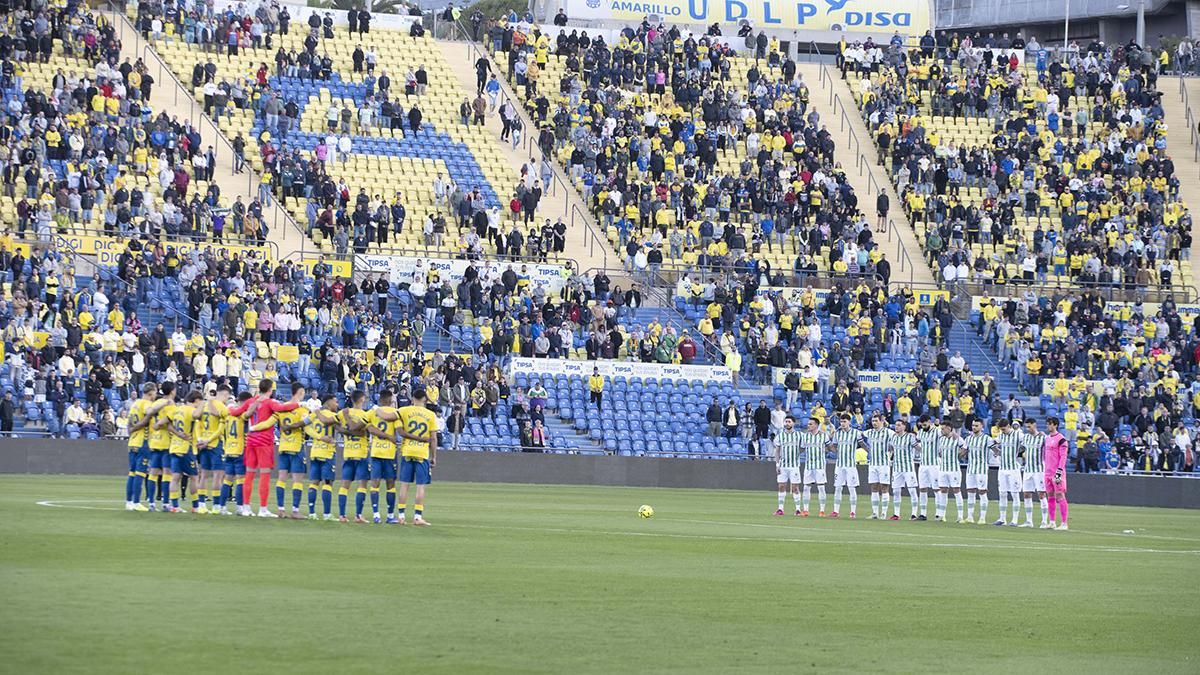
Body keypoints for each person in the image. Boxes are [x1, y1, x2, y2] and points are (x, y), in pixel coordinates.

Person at [229, 379, 304, 517]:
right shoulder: (270, 402)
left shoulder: (251, 401)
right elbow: (282, 408)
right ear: (270, 389)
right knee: (264, 475)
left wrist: (229, 408)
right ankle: (263, 509)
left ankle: (246, 507)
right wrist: (298, 404)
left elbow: (235, 412)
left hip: (250, 441)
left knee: (249, 474)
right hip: (264, 442)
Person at [397, 387, 438, 526]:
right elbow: (433, 438)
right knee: (420, 486)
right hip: (422, 453)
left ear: (412, 399)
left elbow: (392, 415)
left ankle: (401, 516)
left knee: (404, 485)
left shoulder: (404, 411)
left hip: (407, 451)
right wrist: (434, 456)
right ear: (425, 400)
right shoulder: (430, 415)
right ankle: (417, 517)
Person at [366, 389, 401, 524]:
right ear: (390, 400)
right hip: (390, 453)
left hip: (375, 452)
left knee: (375, 483)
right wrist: (389, 436)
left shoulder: (372, 412)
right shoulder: (394, 414)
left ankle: (376, 515)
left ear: (380, 400)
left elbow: (368, 427)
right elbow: (398, 431)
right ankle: (390, 515)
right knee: (390, 485)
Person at [195, 385, 231, 514]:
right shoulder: (222, 407)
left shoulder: (204, 405)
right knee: (217, 476)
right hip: (215, 444)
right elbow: (220, 429)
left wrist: (200, 439)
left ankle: (201, 505)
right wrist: (208, 440)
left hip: (202, 443)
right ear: (225, 395)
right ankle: (216, 506)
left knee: (203, 475)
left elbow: (197, 424)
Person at [305, 395, 341, 521]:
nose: (337, 405)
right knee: (327, 482)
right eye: (335, 402)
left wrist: (317, 437)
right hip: (327, 452)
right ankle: (326, 514)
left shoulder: (315, 414)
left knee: (314, 482)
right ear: (329, 402)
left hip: (315, 451)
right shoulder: (332, 416)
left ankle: (311, 513)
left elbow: (305, 426)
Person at [338, 390, 372, 523]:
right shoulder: (365, 415)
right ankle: (358, 515)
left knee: (344, 485)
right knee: (362, 484)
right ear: (362, 399)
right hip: (361, 453)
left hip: (348, 453)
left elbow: (334, 424)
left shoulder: (343, 413)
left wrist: (344, 431)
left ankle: (342, 515)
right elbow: (366, 433)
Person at [166, 391, 204, 513]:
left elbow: (166, 424)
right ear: (196, 400)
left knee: (175, 477)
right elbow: (197, 415)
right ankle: (196, 506)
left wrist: (177, 434)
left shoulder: (177, 409)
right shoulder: (190, 410)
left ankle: (175, 506)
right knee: (194, 477)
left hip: (174, 447)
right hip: (186, 448)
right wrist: (205, 403)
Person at [124, 383, 159, 511]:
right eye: (155, 393)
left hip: (132, 441)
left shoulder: (135, 404)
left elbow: (128, 422)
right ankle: (136, 502)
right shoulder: (146, 404)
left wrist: (131, 432)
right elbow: (148, 417)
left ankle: (129, 502)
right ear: (151, 392)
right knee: (140, 473)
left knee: (131, 473)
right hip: (142, 442)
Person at [274, 400, 311, 519]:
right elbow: (307, 425)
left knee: (281, 479)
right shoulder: (303, 410)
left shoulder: (281, 410)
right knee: (297, 481)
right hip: (296, 448)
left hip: (283, 446)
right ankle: (295, 511)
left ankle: (280, 509)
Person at [147, 382, 178, 511]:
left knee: (153, 473)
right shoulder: (171, 405)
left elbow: (149, 413)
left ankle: (151, 503)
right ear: (172, 391)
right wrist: (159, 423)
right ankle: (165, 503)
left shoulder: (156, 403)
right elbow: (169, 420)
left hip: (154, 440)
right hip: (166, 442)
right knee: (167, 473)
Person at [221, 392, 253, 515]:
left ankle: (222, 507)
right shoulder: (242, 415)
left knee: (227, 480)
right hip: (240, 450)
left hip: (228, 450)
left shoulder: (228, 413)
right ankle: (240, 507)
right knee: (241, 480)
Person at [963, 418, 997, 525]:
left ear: (982, 426)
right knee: (970, 492)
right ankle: (970, 516)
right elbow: (963, 452)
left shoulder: (987, 439)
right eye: (973, 425)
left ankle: (982, 517)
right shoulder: (968, 439)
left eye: (976, 426)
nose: (974, 427)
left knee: (982, 492)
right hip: (970, 469)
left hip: (981, 469)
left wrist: (1000, 453)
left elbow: (995, 450)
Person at [829, 415, 864, 518]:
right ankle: (836, 511)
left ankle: (853, 511)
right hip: (839, 465)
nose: (842, 423)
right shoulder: (837, 434)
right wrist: (834, 450)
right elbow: (833, 446)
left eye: (844, 421)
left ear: (849, 422)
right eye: (841, 422)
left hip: (850, 465)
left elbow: (862, 444)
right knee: (838, 487)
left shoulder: (856, 433)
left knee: (851, 488)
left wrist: (870, 452)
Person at [1020, 417, 1050, 529]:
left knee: (1041, 494)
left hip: (1039, 470)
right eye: (1026, 427)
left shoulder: (1043, 437)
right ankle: (1029, 521)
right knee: (1027, 494)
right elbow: (1021, 449)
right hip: (1028, 469)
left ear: (1035, 425)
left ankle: (1044, 521)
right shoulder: (1026, 438)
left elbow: (1050, 448)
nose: (1028, 429)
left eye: (1030, 426)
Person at [934, 420, 967, 523]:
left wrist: (958, 456)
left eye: (943, 428)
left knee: (956, 490)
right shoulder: (941, 439)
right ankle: (942, 515)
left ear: (949, 428)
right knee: (943, 491)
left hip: (954, 469)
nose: (941, 430)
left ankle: (960, 516)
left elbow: (965, 448)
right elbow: (940, 452)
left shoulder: (957, 438)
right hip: (943, 469)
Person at [994, 419, 1025, 526]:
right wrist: (997, 452)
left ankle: (1014, 519)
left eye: (1004, 429)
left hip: (1013, 469)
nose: (1003, 431)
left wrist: (1019, 451)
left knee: (1015, 493)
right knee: (1002, 493)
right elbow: (992, 444)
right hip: (1002, 468)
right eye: (1001, 430)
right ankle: (1002, 518)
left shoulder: (1018, 435)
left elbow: (1025, 444)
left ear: (1008, 426)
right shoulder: (1001, 436)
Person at [863, 413, 894, 519]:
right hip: (872, 464)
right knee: (874, 487)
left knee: (884, 487)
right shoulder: (869, 432)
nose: (874, 423)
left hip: (884, 464)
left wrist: (891, 453)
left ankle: (884, 513)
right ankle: (875, 512)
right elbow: (859, 436)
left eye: (876, 421)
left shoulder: (889, 432)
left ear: (882, 421)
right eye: (873, 421)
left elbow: (895, 443)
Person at [773, 415, 804, 516]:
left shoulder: (799, 435)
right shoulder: (780, 436)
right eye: (786, 422)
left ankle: (798, 509)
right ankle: (780, 509)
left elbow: (803, 447)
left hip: (794, 465)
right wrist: (777, 464)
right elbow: (777, 451)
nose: (787, 423)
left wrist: (797, 453)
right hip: (783, 465)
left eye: (789, 422)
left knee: (795, 487)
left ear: (793, 423)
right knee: (781, 486)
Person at [889, 419, 920, 520]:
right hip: (897, 468)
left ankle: (914, 513)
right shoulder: (893, 437)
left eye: (898, 425)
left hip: (908, 468)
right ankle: (896, 514)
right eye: (896, 425)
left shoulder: (910, 437)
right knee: (896, 491)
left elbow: (918, 448)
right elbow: (892, 450)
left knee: (912, 490)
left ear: (904, 427)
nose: (896, 427)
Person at [1043, 417, 1070, 530]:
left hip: (1056, 472)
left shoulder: (1061, 439)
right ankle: (1052, 521)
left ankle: (1064, 523)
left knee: (1060, 495)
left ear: (1055, 425)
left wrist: (1059, 471)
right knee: (1050, 496)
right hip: (1048, 471)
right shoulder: (1047, 438)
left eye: (1049, 424)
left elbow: (1063, 457)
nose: (1048, 426)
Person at [801, 418, 829, 516]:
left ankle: (822, 510)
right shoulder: (805, 436)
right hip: (808, 465)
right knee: (806, 487)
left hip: (820, 465)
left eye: (810, 424)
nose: (808, 426)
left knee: (821, 487)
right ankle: (805, 510)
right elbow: (802, 448)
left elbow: (829, 447)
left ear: (816, 425)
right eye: (808, 424)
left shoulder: (824, 436)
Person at [915, 415, 939, 520]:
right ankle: (923, 513)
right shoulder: (920, 432)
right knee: (922, 488)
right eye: (922, 424)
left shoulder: (937, 431)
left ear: (929, 422)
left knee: (937, 489)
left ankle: (939, 513)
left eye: (925, 424)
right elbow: (917, 444)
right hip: (923, 464)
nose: (923, 426)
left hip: (934, 464)